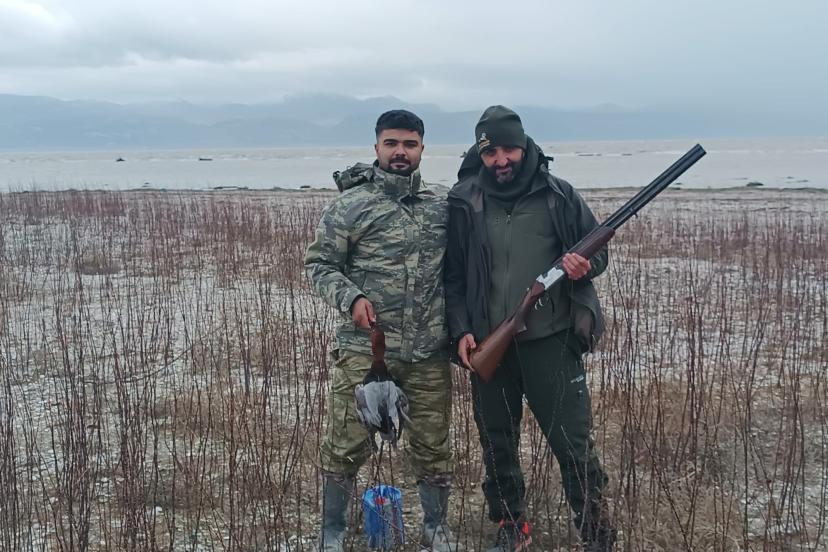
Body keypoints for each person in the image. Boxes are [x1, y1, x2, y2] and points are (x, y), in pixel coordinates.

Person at [444, 105, 615, 551]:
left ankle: (596, 532)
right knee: (497, 442)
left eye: (509, 150)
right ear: (480, 154)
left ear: (524, 146)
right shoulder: (463, 201)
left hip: (550, 341)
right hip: (487, 342)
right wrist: (461, 330)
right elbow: (454, 275)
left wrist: (583, 266)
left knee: (573, 443)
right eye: (491, 152)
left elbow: (598, 251)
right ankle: (511, 525)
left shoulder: (559, 195)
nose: (501, 160)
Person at [304, 110, 463, 552]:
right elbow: (319, 265)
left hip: (428, 352)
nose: (400, 152)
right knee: (345, 443)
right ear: (376, 147)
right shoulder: (350, 205)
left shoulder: (443, 205)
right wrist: (352, 299)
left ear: (422, 149)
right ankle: (332, 531)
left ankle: (436, 528)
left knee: (433, 446)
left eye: (409, 144)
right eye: (391, 143)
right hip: (365, 350)